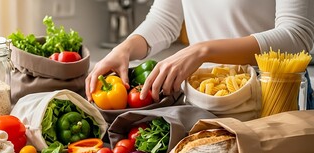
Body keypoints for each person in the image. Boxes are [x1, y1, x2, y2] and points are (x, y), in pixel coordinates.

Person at [85, 0, 314, 103]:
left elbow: (297, 35)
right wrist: (125, 48)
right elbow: (164, 20)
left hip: (275, 98)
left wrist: (202, 50)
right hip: (209, 96)